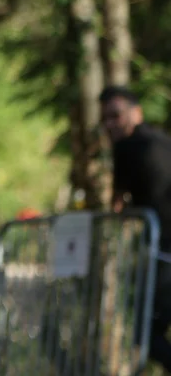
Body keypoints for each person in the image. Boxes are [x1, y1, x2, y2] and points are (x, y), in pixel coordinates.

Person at [101, 85, 171, 371]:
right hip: (162, 252)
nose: (110, 124)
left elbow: (117, 205)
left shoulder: (127, 146)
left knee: (145, 332)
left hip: (164, 255)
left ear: (136, 113)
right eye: (105, 118)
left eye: (116, 116)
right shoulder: (164, 141)